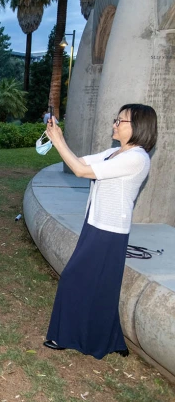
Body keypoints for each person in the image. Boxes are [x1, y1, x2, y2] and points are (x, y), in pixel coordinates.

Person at [43, 104, 158, 359]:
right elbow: (81, 162)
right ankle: (110, 339)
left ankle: (68, 336)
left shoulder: (136, 158)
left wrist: (58, 140)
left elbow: (80, 171)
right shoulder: (117, 153)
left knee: (74, 278)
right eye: (116, 119)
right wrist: (59, 138)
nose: (115, 124)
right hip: (95, 224)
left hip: (110, 231)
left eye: (121, 121)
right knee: (101, 286)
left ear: (139, 126)